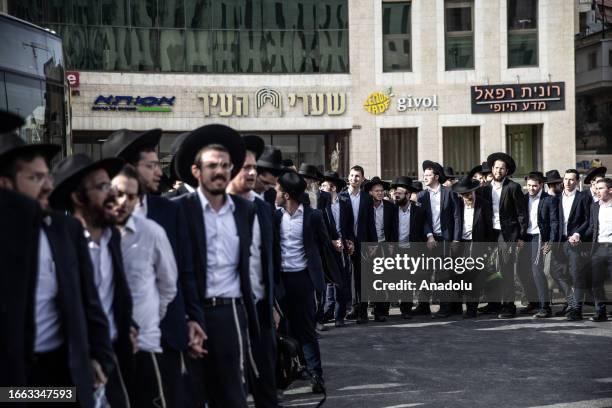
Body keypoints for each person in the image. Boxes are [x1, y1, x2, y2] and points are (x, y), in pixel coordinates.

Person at [0, 111, 114, 406]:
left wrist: (99, 357)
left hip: (61, 373)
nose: (48, 186)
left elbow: (88, 301)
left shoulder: (64, 230)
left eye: (47, 176)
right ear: (5, 184)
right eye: (35, 178)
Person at [102, 128, 205, 407]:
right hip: (110, 343)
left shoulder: (169, 212)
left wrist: (191, 318)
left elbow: (183, 272)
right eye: (150, 166)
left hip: (165, 335)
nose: (158, 172)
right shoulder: (98, 223)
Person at [174, 124, 259, 407]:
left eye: (225, 165)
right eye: (212, 165)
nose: (219, 171)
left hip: (230, 313)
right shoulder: (179, 210)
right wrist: (186, 318)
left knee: (233, 396)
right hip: (191, 316)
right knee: (191, 395)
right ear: (196, 171)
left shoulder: (244, 210)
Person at [49, 153, 136, 407]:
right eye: (101, 187)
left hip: (111, 357)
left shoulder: (113, 238)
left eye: (110, 185)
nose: (113, 195)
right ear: (77, 198)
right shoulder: (59, 245)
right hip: (69, 368)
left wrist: (128, 324)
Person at [111, 164, 178, 407]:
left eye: (130, 196)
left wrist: (149, 319)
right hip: (104, 347)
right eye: (118, 193)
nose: (123, 201)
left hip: (145, 344)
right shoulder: (93, 235)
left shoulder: (152, 233)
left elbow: (168, 285)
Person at [227, 134, 280, 408]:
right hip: (228, 313)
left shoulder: (262, 207)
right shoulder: (216, 209)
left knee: (267, 389)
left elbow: (268, 260)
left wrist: (272, 304)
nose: (250, 173)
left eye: (253, 167)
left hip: (261, 312)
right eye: (244, 167)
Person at [274, 171, 333, 394]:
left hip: (303, 279)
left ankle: (315, 373)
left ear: (287, 194)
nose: (275, 194)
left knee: (306, 329)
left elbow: (324, 246)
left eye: (278, 191)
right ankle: (290, 370)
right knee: (283, 329)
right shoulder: (274, 217)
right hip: (280, 280)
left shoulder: (313, 216)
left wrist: (326, 278)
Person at [479, 153, 528, 319]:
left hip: (507, 235)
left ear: (506, 171)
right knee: (490, 270)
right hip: (490, 233)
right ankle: (493, 304)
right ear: (492, 169)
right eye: (496, 168)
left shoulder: (513, 187)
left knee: (506, 270)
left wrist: (521, 236)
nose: (499, 171)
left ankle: (509, 306)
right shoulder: (485, 188)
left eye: (502, 168)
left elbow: (522, 214)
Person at [452, 176, 494, 318]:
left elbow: (489, 227)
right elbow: (454, 223)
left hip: (477, 244)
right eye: (464, 194)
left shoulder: (484, 204)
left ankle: (471, 309)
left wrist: (488, 247)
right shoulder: (457, 203)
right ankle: (459, 306)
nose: (467, 197)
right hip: (461, 244)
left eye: (469, 193)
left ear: (474, 191)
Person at [419, 160, 457, 318]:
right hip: (429, 239)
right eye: (424, 175)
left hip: (446, 239)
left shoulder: (449, 193)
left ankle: (445, 307)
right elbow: (421, 219)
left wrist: (455, 239)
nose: (424, 178)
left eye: (428, 175)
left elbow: (457, 217)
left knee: (443, 274)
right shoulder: (422, 195)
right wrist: (429, 235)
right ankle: (423, 306)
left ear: (436, 176)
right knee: (425, 273)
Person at [340, 165, 377, 324]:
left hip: (362, 242)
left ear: (362, 179)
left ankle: (362, 312)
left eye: (357, 176)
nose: (354, 179)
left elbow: (371, 223)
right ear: (348, 177)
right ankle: (347, 310)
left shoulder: (367, 199)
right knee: (345, 277)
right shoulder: (341, 197)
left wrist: (374, 244)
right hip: (344, 241)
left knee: (362, 278)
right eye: (352, 175)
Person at [520, 171, 559, 318]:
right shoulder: (523, 199)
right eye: (529, 185)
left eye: (534, 186)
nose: (531, 188)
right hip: (525, 238)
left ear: (541, 185)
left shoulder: (549, 199)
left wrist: (551, 241)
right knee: (522, 271)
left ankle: (545, 307)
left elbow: (555, 222)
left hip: (540, 237)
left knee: (536, 269)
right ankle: (533, 302)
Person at [320, 171, 355, 327]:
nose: (321, 188)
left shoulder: (345, 203)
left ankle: (339, 315)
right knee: (326, 282)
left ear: (333, 187)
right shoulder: (321, 203)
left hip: (341, 247)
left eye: (324, 185)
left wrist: (349, 242)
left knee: (341, 281)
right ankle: (325, 313)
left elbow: (348, 225)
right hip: (326, 246)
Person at [390, 176, 427, 319]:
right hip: (396, 249)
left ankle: (406, 309)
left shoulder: (419, 210)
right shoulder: (391, 210)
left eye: (401, 192)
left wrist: (429, 235)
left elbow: (425, 226)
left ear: (408, 194)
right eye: (396, 192)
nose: (397, 194)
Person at [363, 176, 398, 322]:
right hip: (370, 246)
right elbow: (363, 228)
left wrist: (392, 245)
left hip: (385, 245)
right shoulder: (364, 207)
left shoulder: (390, 207)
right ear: (370, 192)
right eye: (376, 191)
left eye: (381, 191)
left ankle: (381, 312)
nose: (380, 193)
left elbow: (394, 227)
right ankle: (363, 312)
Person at [559, 169, 591, 321]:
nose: (568, 182)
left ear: (577, 182)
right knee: (557, 272)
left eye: (572, 180)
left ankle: (577, 309)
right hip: (559, 241)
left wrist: (578, 234)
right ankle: (571, 303)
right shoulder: (556, 198)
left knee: (576, 274)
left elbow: (587, 219)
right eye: (566, 179)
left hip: (575, 242)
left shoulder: (583, 197)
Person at [584, 178, 612, 322]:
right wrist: (577, 235)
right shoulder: (594, 206)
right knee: (596, 282)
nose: (597, 191)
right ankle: (600, 312)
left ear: (610, 190)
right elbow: (591, 227)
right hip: (599, 248)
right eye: (596, 188)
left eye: (601, 188)